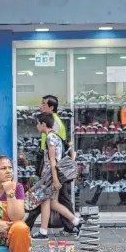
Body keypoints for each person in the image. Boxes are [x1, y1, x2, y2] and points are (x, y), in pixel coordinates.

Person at [31, 113, 81, 240]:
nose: (37, 126)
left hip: (50, 175)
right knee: (51, 202)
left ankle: (43, 232)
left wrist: (55, 179)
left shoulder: (50, 138)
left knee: (46, 202)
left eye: (37, 123)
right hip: (51, 175)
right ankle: (76, 222)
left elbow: (53, 160)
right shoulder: (56, 137)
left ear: (43, 124)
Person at [39, 95, 75, 233]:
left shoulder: (53, 124)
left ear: (51, 107)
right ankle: (72, 224)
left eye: (43, 104)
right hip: (53, 164)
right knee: (55, 198)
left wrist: (53, 174)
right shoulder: (53, 121)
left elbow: (54, 151)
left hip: (54, 164)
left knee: (55, 197)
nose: (40, 106)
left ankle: (72, 224)